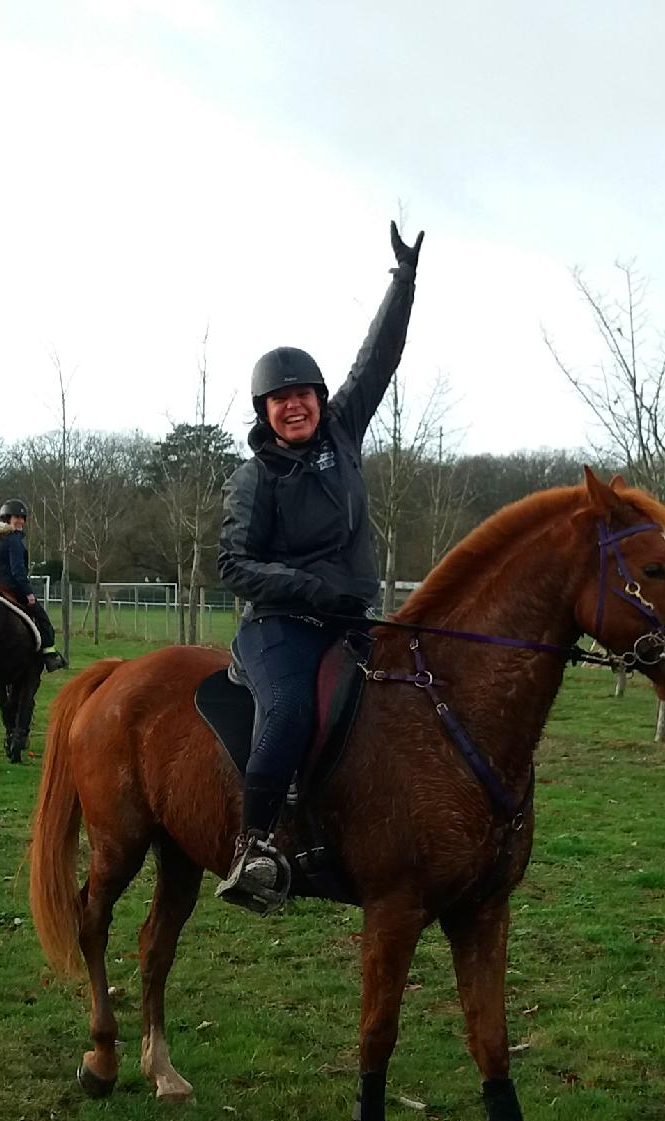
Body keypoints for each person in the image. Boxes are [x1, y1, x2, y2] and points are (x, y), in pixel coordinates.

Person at [216, 220, 425, 913]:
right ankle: (253, 846)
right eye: (281, 398)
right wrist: (305, 586)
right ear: (266, 412)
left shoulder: (343, 432)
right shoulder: (255, 480)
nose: (295, 402)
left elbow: (378, 360)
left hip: (348, 619)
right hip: (279, 626)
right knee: (291, 711)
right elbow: (233, 562)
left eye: (304, 391)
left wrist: (404, 281)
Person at [0, 499, 67, 673]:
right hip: (9, 588)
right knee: (42, 618)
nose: (21, 521)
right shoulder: (13, 539)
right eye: (17, 517)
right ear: (7, 518)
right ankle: (50, 655)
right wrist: (28, 593)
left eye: (23, 518)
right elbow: (18, 571)